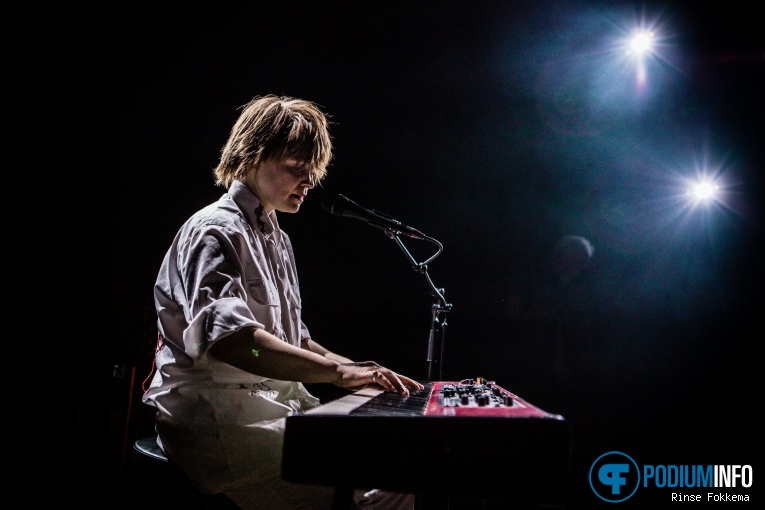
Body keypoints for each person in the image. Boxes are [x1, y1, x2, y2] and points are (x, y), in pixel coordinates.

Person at [141, 95, 423, 510]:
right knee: (385, 480)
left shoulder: (276, 237)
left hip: (271, 411)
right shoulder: (214, 231)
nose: (309, 182)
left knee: (399, 457)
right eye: (296, 169)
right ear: (252, 156)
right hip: (218, 424)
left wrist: (363, 370)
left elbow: (294, 338)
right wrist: (336, 373)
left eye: (313, 171)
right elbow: (235, 342)